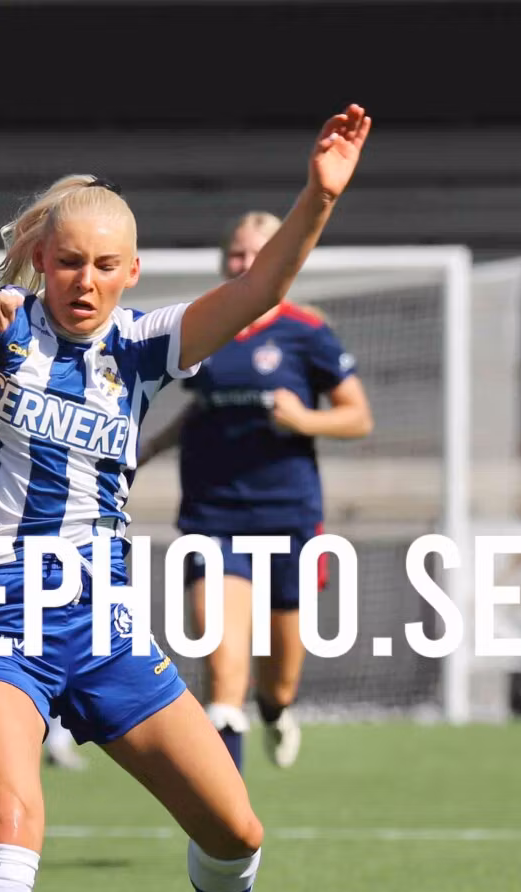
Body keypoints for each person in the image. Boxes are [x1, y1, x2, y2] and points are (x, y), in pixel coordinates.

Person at [0, 105, 371, 892]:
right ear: (41, 264)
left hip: (101, 626)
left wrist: (317, 199)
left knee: (237, 827)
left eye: (105, 267)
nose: (85, 283)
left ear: (131, 272)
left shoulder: (142, 344)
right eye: (68, 263)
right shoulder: (4, 321)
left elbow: (257, 295)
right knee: (13, 818)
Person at [138, 211, 374, 771]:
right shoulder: (206, 325)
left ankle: (274, 710)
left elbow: (358, 417)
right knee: (222, 672)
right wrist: (145, 450)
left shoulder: (306, 332)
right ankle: (226, 829)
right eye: (237, 255)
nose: (245, 265)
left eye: (258, 255)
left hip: (289, 521)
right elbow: (202, 408)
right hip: (212, 519)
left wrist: (305, 421)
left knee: (280, 679)